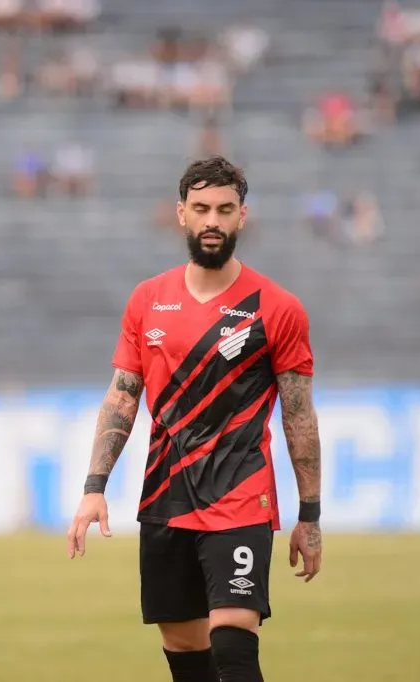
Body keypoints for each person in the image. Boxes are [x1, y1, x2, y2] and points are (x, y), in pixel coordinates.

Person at [67, 156, 323, 682]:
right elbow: (122, 396)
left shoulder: (277, 308)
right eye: (202, 208)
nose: (213, 221)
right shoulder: (147, 300)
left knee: (232, 644)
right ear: (181, 214)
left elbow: (299, 415)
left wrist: (310, 515)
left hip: (239, 495)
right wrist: (95, 487)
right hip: (166, 496)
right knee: (186, 655)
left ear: (242, 216)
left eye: (224, 209)